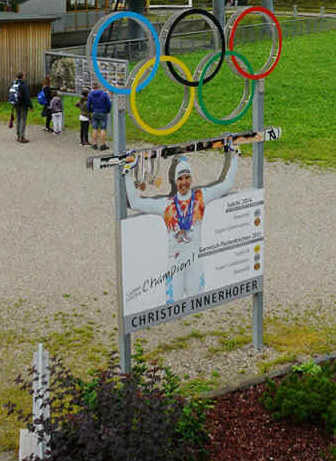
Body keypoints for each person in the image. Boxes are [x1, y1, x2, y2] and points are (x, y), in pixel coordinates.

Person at [126, 149, 240, 303]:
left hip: (195, 262)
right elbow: (135, 203)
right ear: (175, 180)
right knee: (172, 307)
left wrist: (235, 156)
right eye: (180, 178)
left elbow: (227, 185)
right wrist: (127, 171)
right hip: (175, 264)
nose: (184, 182)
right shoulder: (166, 205)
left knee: (197, 304)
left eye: (187, 177)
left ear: (191, 179)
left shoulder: (201, 197)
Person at [85, 83, 112, 149]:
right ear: (99, 87)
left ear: (93, 88)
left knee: (94, 128)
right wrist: (107, 110)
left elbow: (88, 105)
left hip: (95, 112)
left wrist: (91, 110)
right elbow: (109, 104)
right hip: (103, 112)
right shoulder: (104, 94)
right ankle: (103, 145)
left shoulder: (90, 95)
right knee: (103, 129)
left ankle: (94, 144)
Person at [10, 71, 32, 143]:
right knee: (23, 119)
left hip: (16, 104)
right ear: (22, 77)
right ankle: (22, 137)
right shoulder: (23, 85)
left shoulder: (14, 83)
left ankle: (18, 136)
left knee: (18, 119)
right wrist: (30, 106)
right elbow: (27, 96)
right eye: (24, 76)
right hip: (23, 105)